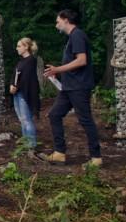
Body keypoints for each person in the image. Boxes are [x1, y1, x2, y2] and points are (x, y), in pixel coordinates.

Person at [42, 9, 102, 167]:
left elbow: (82, 60)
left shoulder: (77, 35)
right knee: (54, 115)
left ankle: (96, 158)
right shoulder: (72, 38)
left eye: (58, 21)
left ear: (66, 20)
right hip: (68, 88)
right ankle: (60, 153)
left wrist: (58, 69)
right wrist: (58, 75)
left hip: (79, 87)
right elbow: (73, 64)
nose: (56, 25)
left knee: (85, 120)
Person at [9, 38, 40, 150]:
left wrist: (16, 87)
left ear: (26, 47)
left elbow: (27, 78)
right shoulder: (21, 61)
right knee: (22, 119)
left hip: (25, 93)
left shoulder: (31, 60)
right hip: (17, 93)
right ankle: (25, 142)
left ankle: (31, 145)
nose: (17, 48)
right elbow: (15, 75)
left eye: (19, 46)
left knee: (27, 119)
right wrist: (12, 85)